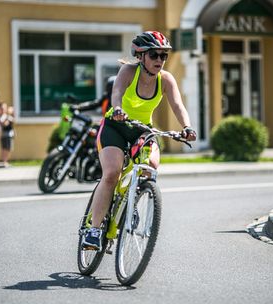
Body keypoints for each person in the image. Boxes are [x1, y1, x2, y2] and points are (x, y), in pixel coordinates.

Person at [82, 31, 197, 250]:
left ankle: (132, 201)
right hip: (115, 126)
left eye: (164, 56)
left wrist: (187, 127)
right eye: (154, 55)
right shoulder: (128, 71)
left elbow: (177, 105)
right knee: (112, 173)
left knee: (150, 166)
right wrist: (117, 109)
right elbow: (116, 92)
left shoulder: (166, 80)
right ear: (140, 55)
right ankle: (94, 230)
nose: (160, 61)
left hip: (142, 130)